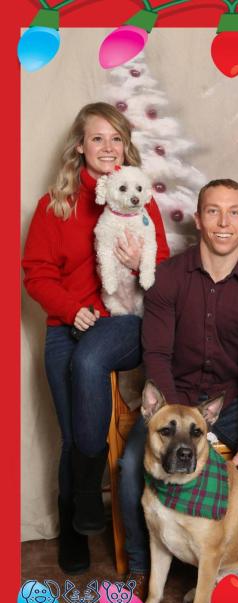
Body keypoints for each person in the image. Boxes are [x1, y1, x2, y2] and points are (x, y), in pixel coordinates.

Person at [119, 178, 238, 603]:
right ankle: (139, 569)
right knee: (131, 462)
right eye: (213, 211)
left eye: (233, 213)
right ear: (198, 219)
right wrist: (176, 420)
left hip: (233, 401)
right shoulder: (169, 278)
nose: (223, 222)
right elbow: (155, 354)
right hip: (174, 398)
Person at [22, 102, 170, 574]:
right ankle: (74, 522)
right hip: (68, 322)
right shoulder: (55, 205)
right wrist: (71, 309)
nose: (107, 148)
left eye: (115, 139)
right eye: (97, 138)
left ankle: (87, 492)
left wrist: (132, 263)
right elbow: (36, 274)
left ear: (126, 145)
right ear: (80, 147)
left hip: (123, 318)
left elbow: (161, 271)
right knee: (71, 434)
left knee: (88, 362)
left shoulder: (138, 199)